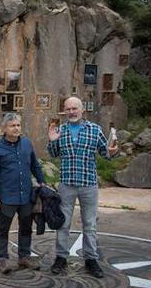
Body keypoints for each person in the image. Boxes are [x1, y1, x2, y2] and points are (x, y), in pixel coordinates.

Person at [47, 96, 118, 278]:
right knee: (63, 223)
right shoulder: (60, 130)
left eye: (74, 108)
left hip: (88, 184)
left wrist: (112, 151)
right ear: (64, 111)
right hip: (67, 184)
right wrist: (52, 140)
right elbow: (53, 154)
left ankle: (91, 260)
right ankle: (61, 258)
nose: (71, 112)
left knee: (90, 224)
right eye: (68, 109)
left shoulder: (94, 130)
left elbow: (106, 152)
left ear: (82, 110)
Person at [0, 113, 46, 273]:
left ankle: (24, 257)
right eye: (12, 125)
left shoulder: (27, 144)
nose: (16, 128)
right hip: (7, 196)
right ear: (4, 129)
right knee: (3, 228)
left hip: (26, 195)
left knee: (26, 227)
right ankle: (2, 259)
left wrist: (42, 181)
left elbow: (35, 165)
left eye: (18, 125)